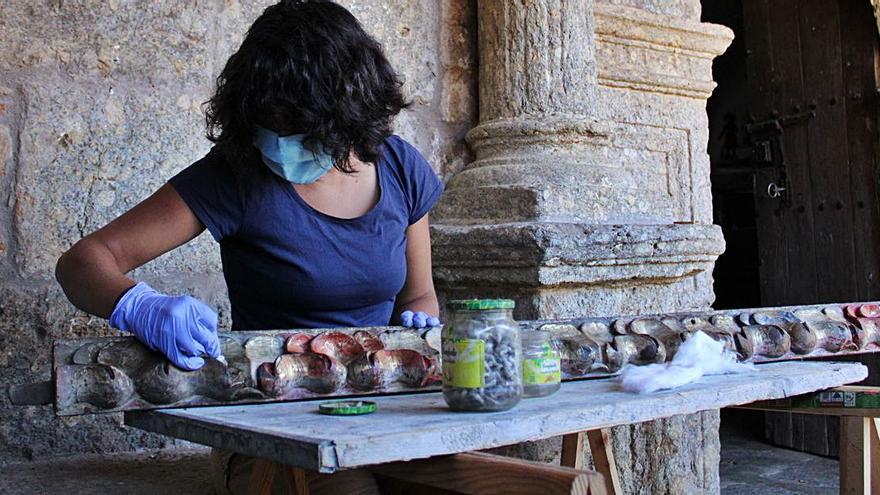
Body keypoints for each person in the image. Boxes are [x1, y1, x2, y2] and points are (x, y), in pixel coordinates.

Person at [54, 1, 443, 493]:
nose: (279, 148)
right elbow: (81, 264)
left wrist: (422, 324)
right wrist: (137, 304)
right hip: (272, 425)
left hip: (382, 411)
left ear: (347, 116)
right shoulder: (236, 175)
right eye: (268, 131)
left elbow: (418, 297)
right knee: (350, 487)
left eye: (297, 133)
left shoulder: (400, 169)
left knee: (464, 476)